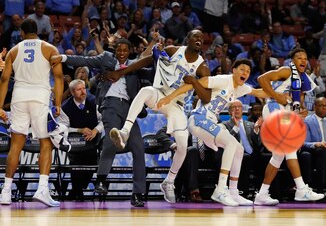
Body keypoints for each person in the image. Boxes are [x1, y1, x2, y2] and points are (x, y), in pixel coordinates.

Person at [106, 29, 211, 203]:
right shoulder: (172, 50)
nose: (199, 39)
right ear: (188, 39)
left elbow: (206, 98)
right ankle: (125, 131)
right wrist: (121, 72)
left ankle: (169, 181)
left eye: (202, 37)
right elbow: (146, 60)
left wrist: (194, 82)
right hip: (160, 94)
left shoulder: (202, 67)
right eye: (195, 36)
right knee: (145, 91)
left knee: (183, 146)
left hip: (177, 106)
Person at [157, 59, 269, 206]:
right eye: (242, 69)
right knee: (230, 143)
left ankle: (234, 192)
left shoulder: (240, 88)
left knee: (238, 149)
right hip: (198, 119)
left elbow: (259, 92)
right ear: (234, 70)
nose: (245, 73)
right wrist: (170, 97)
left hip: (210, 122)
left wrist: (280, 95)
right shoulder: (222, 80)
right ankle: (221, 189)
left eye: (248, 71)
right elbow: (195, 83)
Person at [51, 38, 147, 207]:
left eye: (125, 50)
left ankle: (138, 193)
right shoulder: (106, 59)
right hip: (110, 104)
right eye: (119, 50)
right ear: (115, 50)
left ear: (130, 51)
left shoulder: (134, 64)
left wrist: (157, 48)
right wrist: (63, 58)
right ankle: (101, 180)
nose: (122, 53)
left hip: (130, 109)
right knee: (110, 139)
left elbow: (150, 63)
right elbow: (84, 60)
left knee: (139, 147)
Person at [0, 19, 64, 207]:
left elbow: (4, 79)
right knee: (46, 142)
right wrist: (58, 103)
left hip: (19, 97)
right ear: (38, 31)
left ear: (21, 32)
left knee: (16, 145)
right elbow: (59, 77)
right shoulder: (50, 48)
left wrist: (0, 106)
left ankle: (5, 192)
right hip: (40, 97)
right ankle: (42, 189)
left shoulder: (14, 50)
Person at [255, 48, 325, 205]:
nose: (303, 60)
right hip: (273, 107)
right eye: (299, 57)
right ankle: (301, 189)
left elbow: (295, 102)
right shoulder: (286, 70)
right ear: (292, 61)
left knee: (279, 155)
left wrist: (301, 111)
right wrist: (276, 95)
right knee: (290, 147)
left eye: (305, 58)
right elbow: (261, 79)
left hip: (284, 112)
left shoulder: (302, 79)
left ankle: (262, 194)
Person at [58, 79, 104, 200]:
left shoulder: (94, 102)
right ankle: (77, 191)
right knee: (76, 164)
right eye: (79, 90)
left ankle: (76, 190)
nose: (83, 92)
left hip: (92, 139)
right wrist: (79, 130)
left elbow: (103, 120)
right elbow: (63, 128)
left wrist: (95, 131)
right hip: (75, 141)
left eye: (84, 88)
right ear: (72, 92)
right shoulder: (65, 107)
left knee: (92, 163)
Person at [223, 100, 264, 198]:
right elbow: (226, 140)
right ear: (229, 111)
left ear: (242, 110)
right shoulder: (224, 125)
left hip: (252, 153)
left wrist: (256, 129)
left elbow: (258, 143)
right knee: (245, 157)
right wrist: (236, 127)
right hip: (235, 154)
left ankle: (263, 192)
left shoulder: (250, 124)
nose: (237, 109)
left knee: (267, 157)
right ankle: (243, 191)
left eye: (239, 107)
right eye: (234, 107)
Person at [301, 97, 326, 197]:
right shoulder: (307, 121)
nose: (324, 108)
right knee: (323, 150)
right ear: (315, 107)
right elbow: (303, 143)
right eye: (321, 106)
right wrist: (316, 144)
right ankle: (320, 188)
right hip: (314, 155)